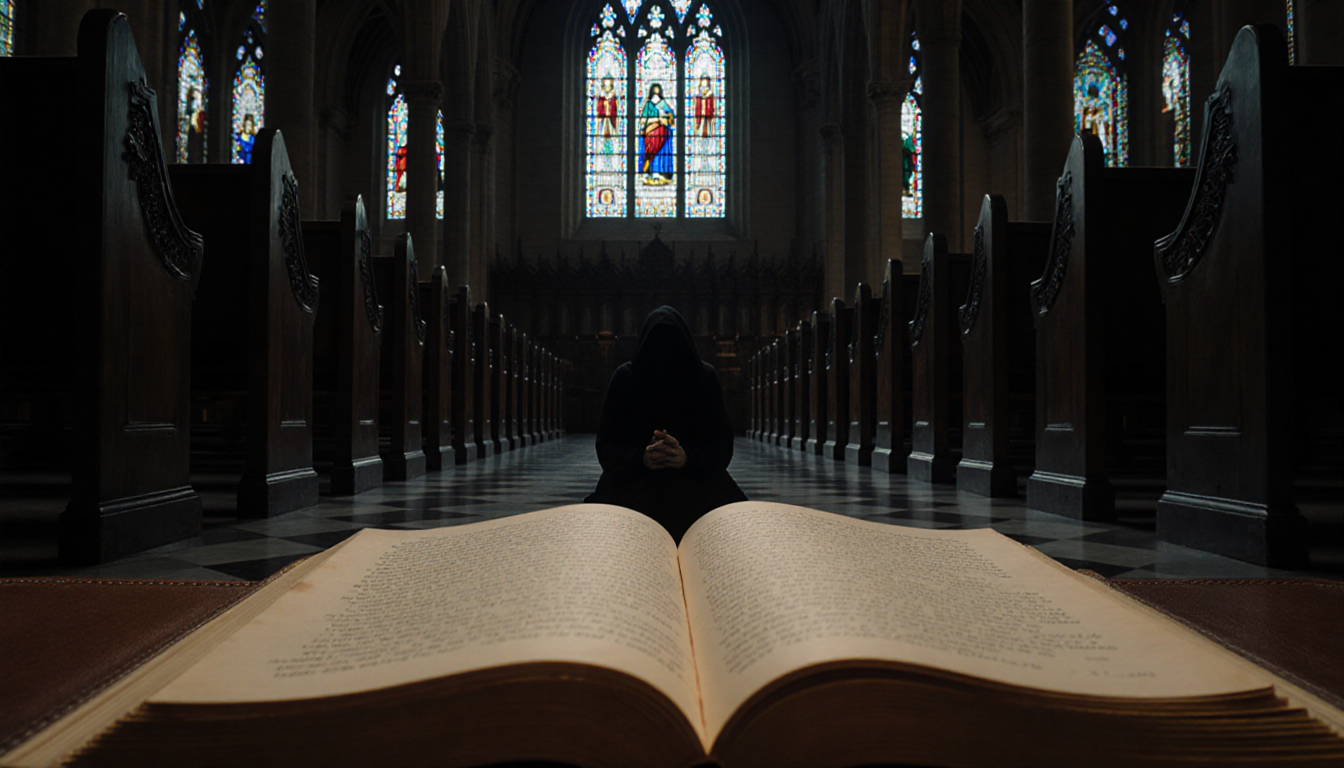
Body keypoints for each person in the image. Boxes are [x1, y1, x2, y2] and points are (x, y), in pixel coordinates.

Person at [585, 306, 746, 542]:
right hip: (636, 479)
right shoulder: (625, 379)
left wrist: (686, 457)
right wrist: (642, 457)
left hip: (694, 479)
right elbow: (606, 447)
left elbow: (722, 446)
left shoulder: (704, 378)